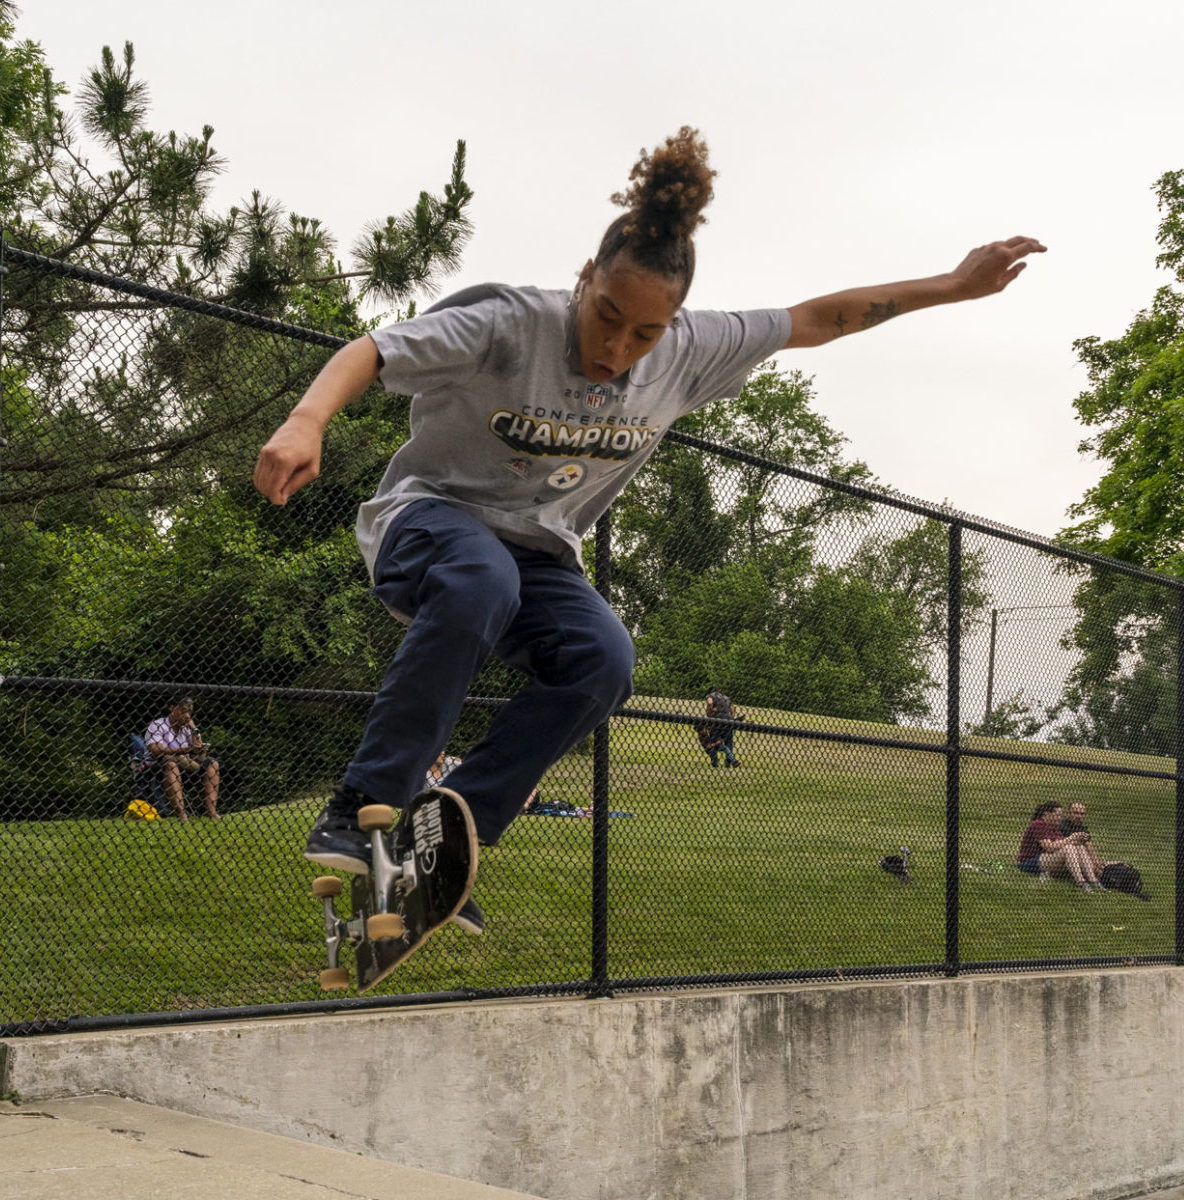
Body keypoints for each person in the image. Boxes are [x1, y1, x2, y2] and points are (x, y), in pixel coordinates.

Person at [254, 127, 1045, 935]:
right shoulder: (510, 324)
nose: (617, 349)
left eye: (646, 334)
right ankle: (362, 806)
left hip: (541, 556)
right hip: (427, 522)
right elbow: (370, 351)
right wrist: (304, 421)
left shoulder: (694, 350)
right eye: (606, 318)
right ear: (585, 279)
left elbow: (821, 318)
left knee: (604, 662)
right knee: (479, 577)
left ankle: (445, 846)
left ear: (674, 324)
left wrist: (954, 285)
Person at [144, 697, 219, 821]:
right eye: (183, 711)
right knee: (171, 764)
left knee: (212, 764)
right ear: (172, 708)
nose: (187, 716)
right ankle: (181, 814)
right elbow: (156, 751)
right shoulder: (158, 725)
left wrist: (195, 731)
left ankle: (212, 813)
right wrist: (185, 750)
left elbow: (200, 758)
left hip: (186, 766)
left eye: (190, 712)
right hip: (159, 767)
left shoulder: (187, 728)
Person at [1016, 801, 1101, 892]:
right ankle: (1081, 882)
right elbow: (1049, 847)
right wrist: (1071, 838)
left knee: (1078, 846)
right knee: (1068, 848)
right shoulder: (1039, 824)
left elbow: (1061, 843)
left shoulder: (1054, 827)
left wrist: (1077, 840)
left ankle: (1093, 880)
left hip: (1046, 859)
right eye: (1058, 815)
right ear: (1047, 814)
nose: (1060, 818)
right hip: (1029, 862)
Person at [695, 687, 739, 768]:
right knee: (729, 742)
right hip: (728, 721)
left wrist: (709, 712)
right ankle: (728, 762)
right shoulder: (726, 698)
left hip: (716, 721)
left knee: (714, 740)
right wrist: (731, 717)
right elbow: (732, 709)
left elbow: (710, 702)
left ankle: (714, 762)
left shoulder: (710, 696)